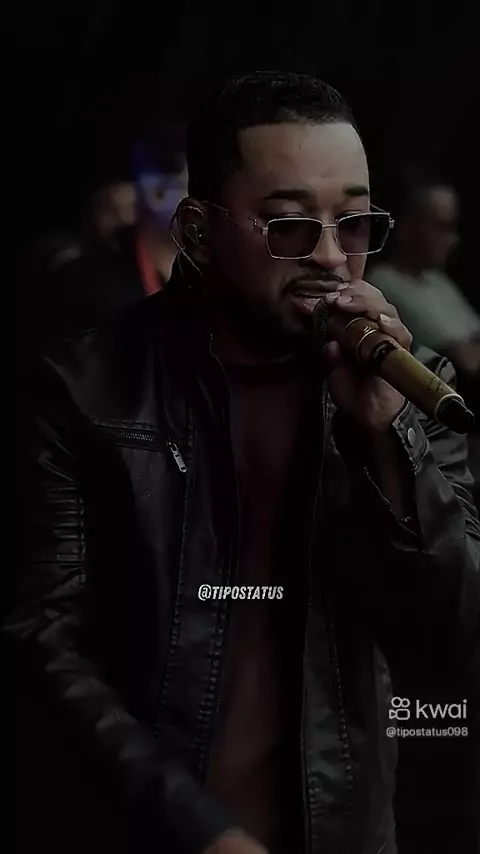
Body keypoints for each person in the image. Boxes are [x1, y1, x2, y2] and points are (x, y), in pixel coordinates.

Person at [8, 72, 480, 854]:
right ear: (198, 232)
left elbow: (450, 648)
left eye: (355, 224)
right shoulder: (85, 387)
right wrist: (198, 830)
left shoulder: (409, 385)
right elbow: (41, 644)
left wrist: (387, 437)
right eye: (289, 226)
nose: (330, 256)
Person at [368, 172, 480, 378]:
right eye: (443, 227)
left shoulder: (438, 281)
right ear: (408, 227)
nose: (453, 239)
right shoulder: (383, 283)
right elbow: (463, 361)